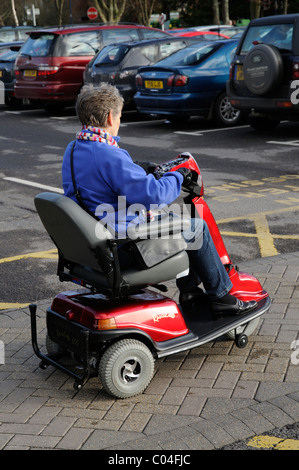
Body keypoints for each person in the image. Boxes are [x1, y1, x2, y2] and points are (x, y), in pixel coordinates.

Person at [62, 83, 257, 316]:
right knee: (196, 226)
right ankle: (221, 295)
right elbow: (152, 196)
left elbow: (107, 177)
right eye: (121, 116)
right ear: (109, 116)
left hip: (94, 242)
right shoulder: (109, 154)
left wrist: (140, 168)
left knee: (177, 221)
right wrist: (178, 176)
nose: (120, 122)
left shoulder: (74, 148)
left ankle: (191, 292)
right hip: (122, 248)